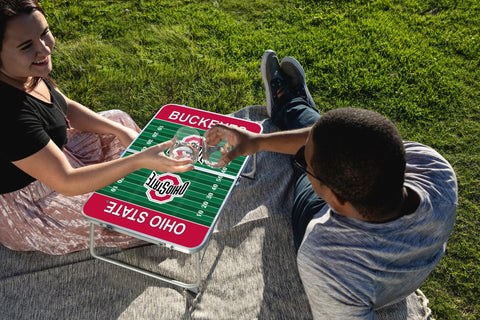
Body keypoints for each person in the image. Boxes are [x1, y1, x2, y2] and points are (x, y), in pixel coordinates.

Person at [214, 50, 457, 319]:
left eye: (306, 166)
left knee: (314, 158)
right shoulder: (435, 168)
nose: (304, 167)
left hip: (324, 221)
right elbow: (352, 142)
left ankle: (292, 106)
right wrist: (256, 142)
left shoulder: (327, 257)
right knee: (332, 138)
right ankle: (295, 107)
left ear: (336, 197)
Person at [0, 0, 193, 255]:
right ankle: (158, 190)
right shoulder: (8, 113)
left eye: (44, 33)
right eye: (27, 46)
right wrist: (137, 161)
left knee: (117, 120)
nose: (44, 48)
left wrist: (120, 132)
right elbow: (67, 181)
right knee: (129, 212)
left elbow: (63, 106)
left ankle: (153, 177)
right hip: (35, 206)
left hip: (58, 159)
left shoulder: (25, 72)